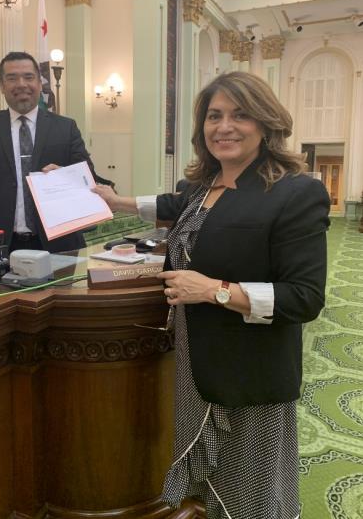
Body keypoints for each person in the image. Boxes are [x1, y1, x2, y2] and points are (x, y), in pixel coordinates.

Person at [93, 71, 330, 519]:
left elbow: (304, 297)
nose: (225, 126)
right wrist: (111, 198)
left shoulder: (295, 193)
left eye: (240, 115)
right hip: (196, 358)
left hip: (250, 371)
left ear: (265, 122)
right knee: (210, 490)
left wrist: (213, 290)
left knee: (251, 494)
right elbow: (168, 204)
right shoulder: (202, 188)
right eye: (214, 116)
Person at [0, 51, 95, 253]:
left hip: (61, 245)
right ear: (2, 86)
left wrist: (64, 176)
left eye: (28, 77)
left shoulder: (66, 127)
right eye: (12, 78)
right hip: (0, 245)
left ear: (39, 83)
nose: (21, 84)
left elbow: (87, 176)